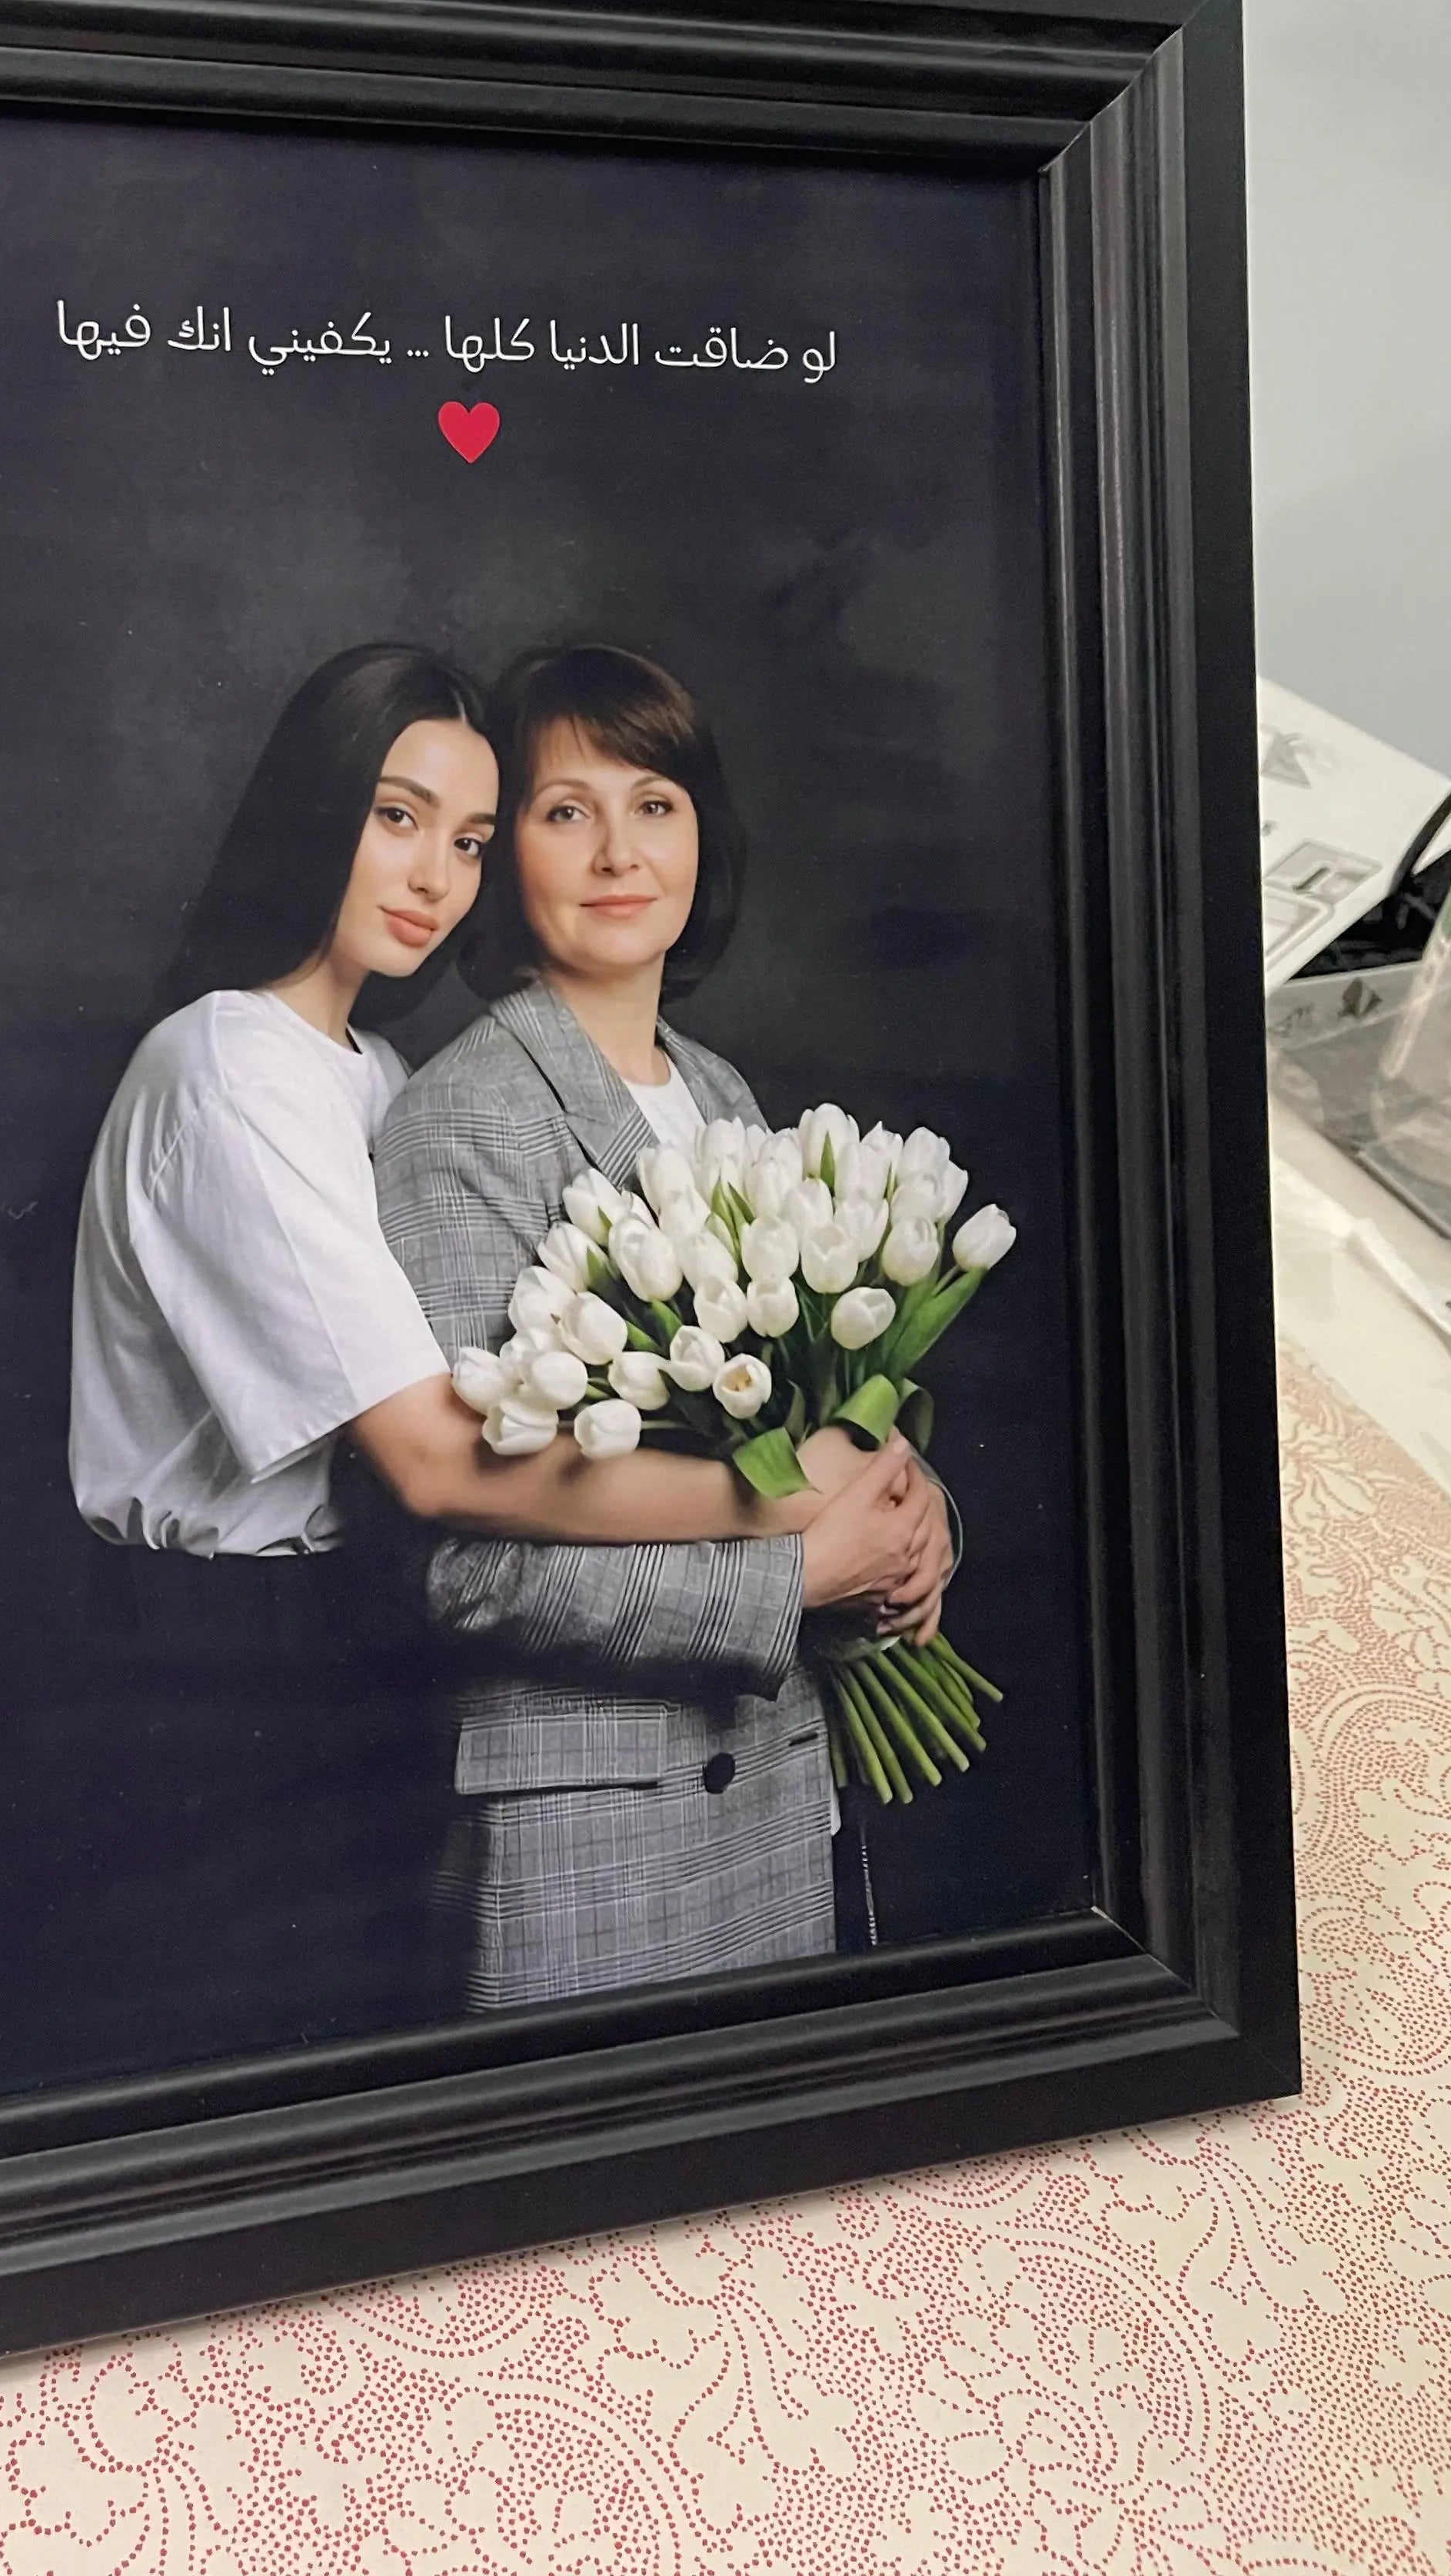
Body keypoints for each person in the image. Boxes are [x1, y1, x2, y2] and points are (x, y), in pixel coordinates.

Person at [68, 641, 924, 2066]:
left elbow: (831, 1387)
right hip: (234, 1674)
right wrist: (791, 1528)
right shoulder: (284, 1078)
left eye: (460, 836)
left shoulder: (392, 1072)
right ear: (317, 806)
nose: (431, 874)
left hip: (490, 1710)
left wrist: (904, 1512)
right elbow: (436, 1475)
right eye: (400, 818)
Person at [374, 641, 954, 2013]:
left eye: (656, 803)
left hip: (781, 1798)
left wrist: (909, 1514)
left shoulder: (721, 1091)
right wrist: (804, 1573)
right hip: (599, 1845)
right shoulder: (461, 1126)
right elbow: (469, 1567)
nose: (617, 851)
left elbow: (812, 1423)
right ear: (503, 853)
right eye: (565, 810)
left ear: (704, 835)